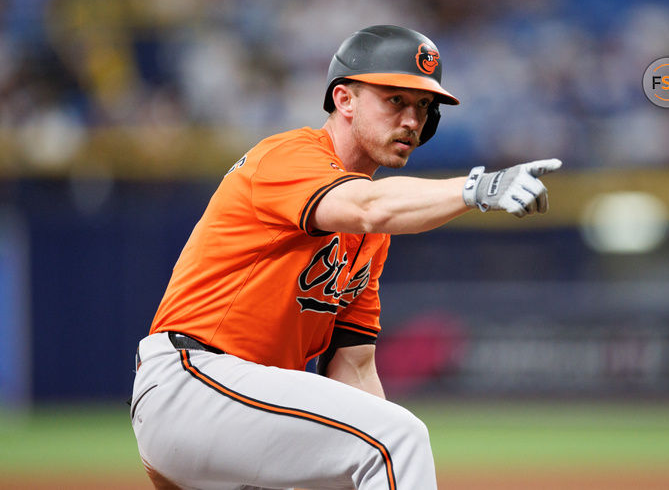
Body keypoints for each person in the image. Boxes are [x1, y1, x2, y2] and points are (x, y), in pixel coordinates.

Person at [130, 24, 561, 490]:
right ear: (345, 100)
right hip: (195, 379)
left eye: (422, 106)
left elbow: (352, 368)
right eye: (395, 99)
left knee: (372, 446)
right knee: (398, 439)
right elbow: (366, 207)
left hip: (239, 407)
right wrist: (476, 188)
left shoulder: (371, 239)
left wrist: (372, 433)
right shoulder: (287, 155)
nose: (412, 120)